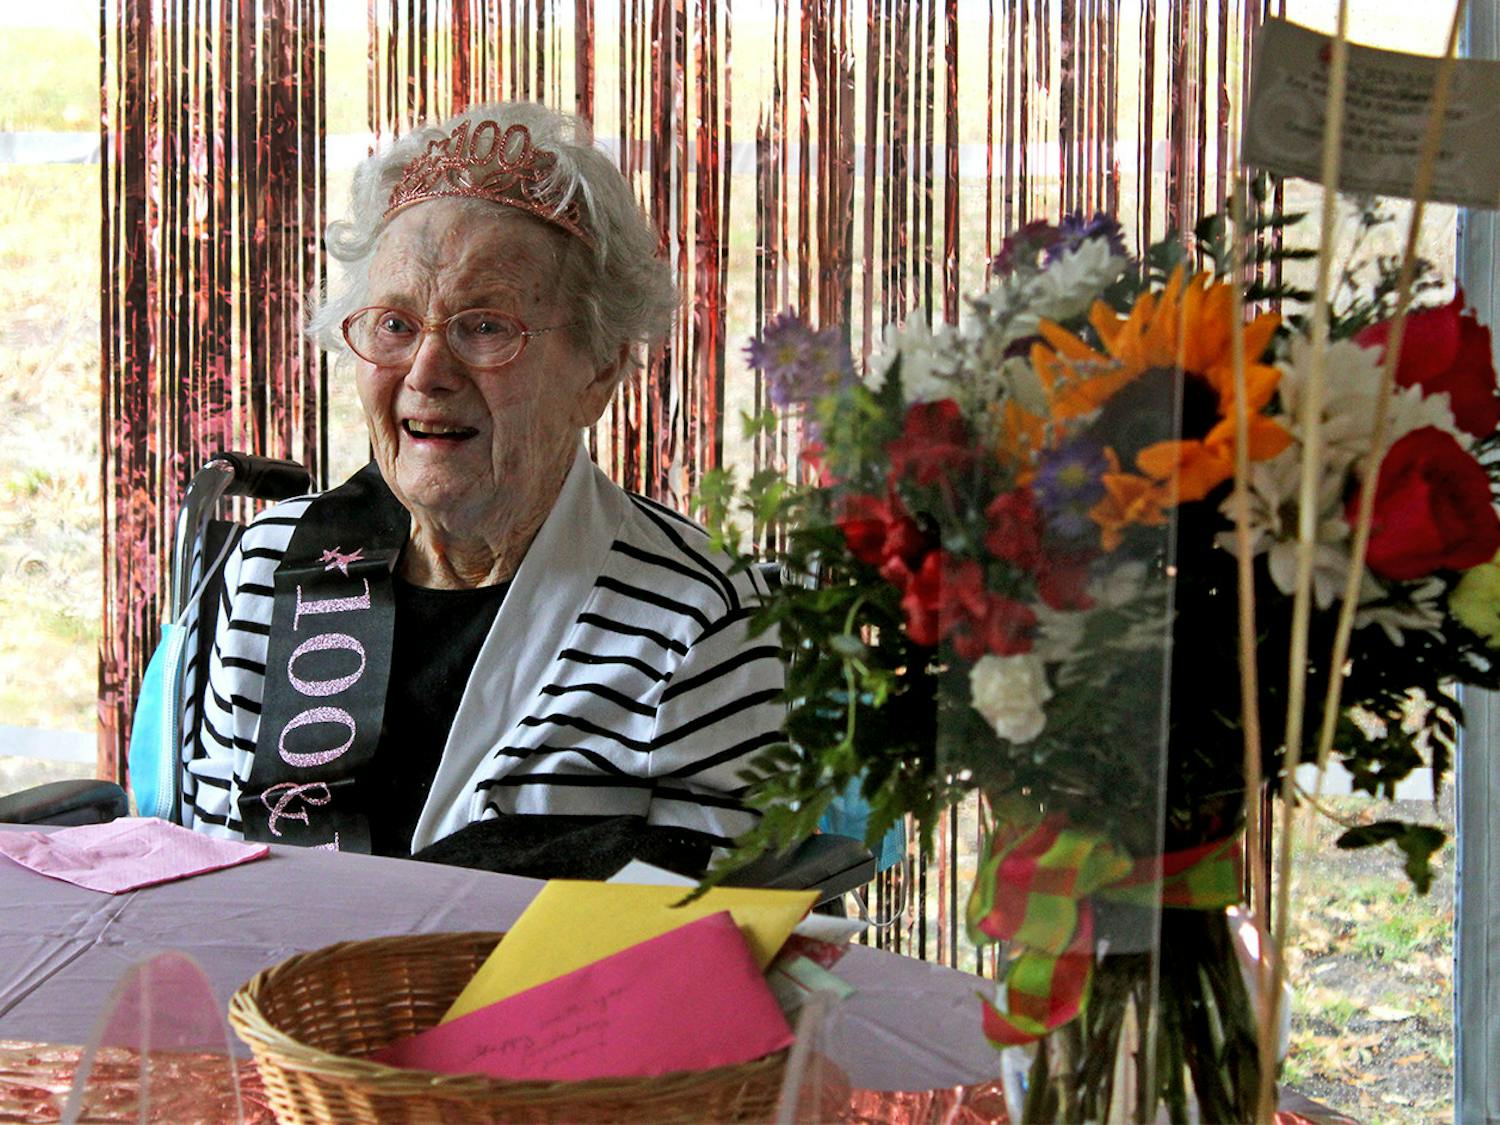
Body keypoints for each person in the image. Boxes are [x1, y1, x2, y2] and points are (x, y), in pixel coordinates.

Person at [183, 101, 781, 877]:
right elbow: (213, 874)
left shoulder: (693, 618)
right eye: (394, 325)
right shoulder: (272, 565)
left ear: (598, 372)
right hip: (299, 996)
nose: (427, 374)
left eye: (486, 327)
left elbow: (717, 932)